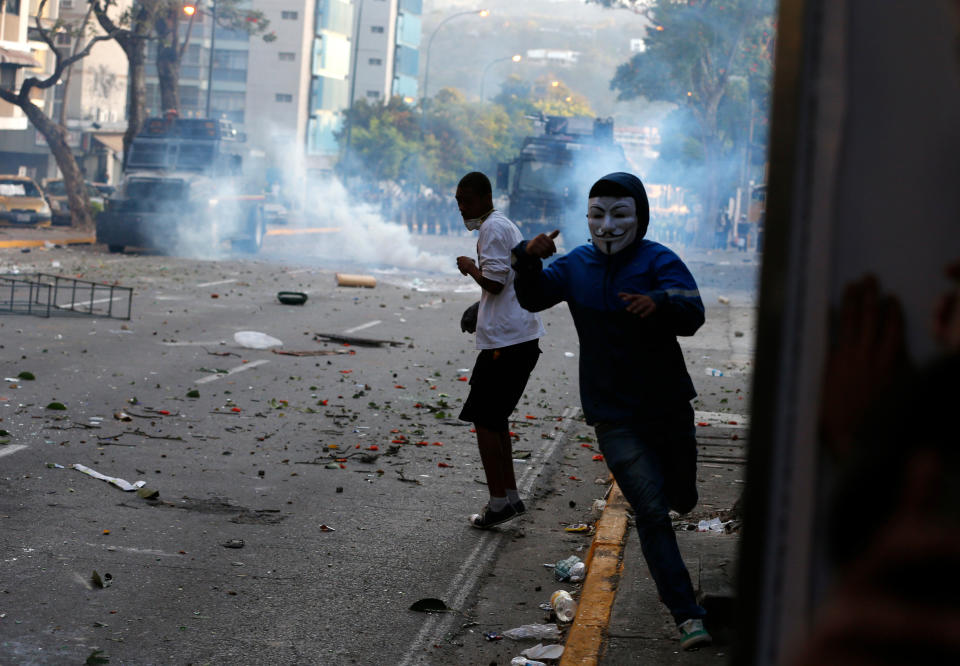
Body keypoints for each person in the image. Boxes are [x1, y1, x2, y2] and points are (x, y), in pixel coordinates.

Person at [510, 172, 711, 650]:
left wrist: (659, 301)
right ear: (586, 219)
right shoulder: (576, 265)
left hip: (666, 406)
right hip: (612, 414)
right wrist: (527, 261)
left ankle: (682, 490)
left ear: (639, 217)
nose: (607, 225)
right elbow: (533, 296)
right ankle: (688, 616)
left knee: (681, 496)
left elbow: (694, 313)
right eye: (597, 215)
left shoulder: (660, 260)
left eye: (619, 214)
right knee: (652, 511)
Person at [455, 171, 545, 529]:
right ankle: (509, 497)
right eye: (458, 201)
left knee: (485, 421)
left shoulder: (492, 229)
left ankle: (497, 503)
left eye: (465, 200)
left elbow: (494, 281)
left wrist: (469, 267)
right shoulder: (503, 225)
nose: (461, 207)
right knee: (495, 419)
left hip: (507, 344)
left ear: (482, 198)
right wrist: (480, 311)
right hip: (515, 337)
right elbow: (507, 283)